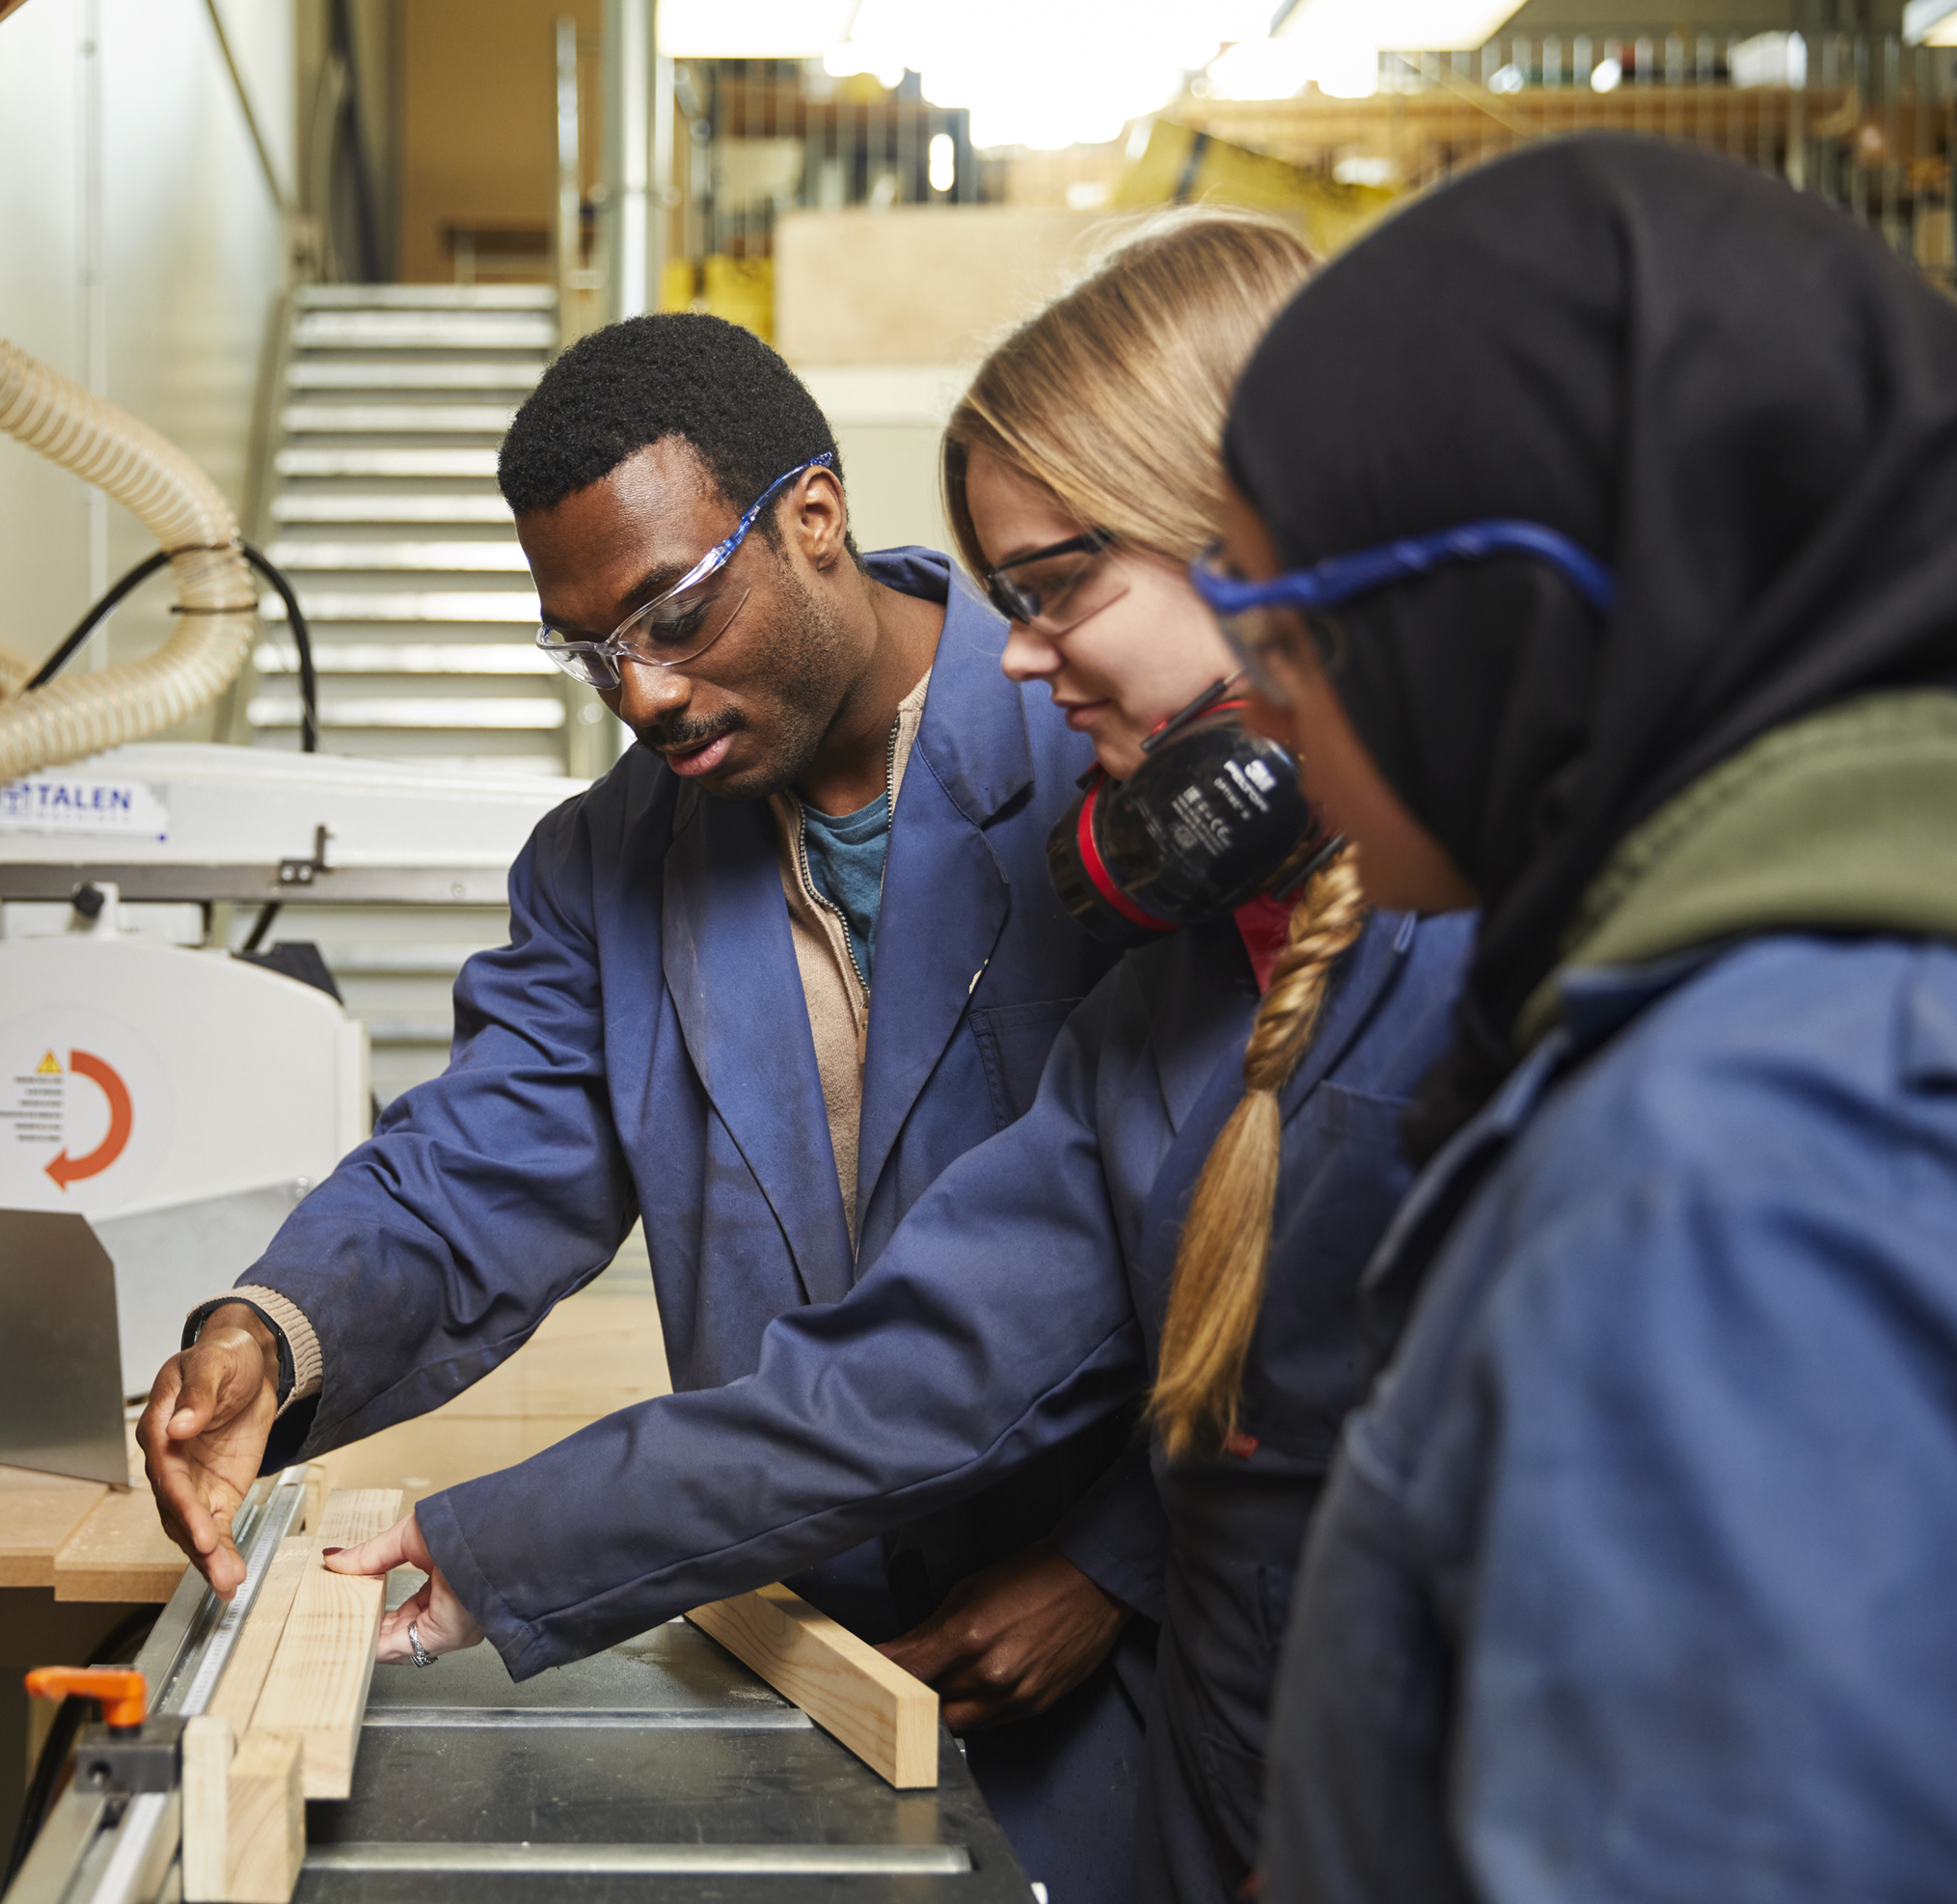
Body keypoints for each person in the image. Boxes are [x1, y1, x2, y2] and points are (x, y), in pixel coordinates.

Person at [324, 211, 1475, 1904]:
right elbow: (908, 1371)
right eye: (1011, 599)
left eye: (1062, 587)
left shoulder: (1516, 959)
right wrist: (484, 1535)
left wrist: (1118, 1567)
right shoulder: (1164, 1020)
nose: (1025, 652)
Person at [140, 313, 1152, 1895]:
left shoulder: (1101, 753)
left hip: (1110, 1649)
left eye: (673, 612)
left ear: (812, 517)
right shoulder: (605, 866)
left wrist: (1121, 1561)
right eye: (591, 647)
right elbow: (474, 1170)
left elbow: (1262, 1228)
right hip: (798, 1632)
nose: (643, 690)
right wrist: (276, 1331)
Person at [1183, 138, 1957, 1904]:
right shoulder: (1805, 1011)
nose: (1259, 706)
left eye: (1286, 631)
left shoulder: (1747, 1174)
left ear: (1501, 619)